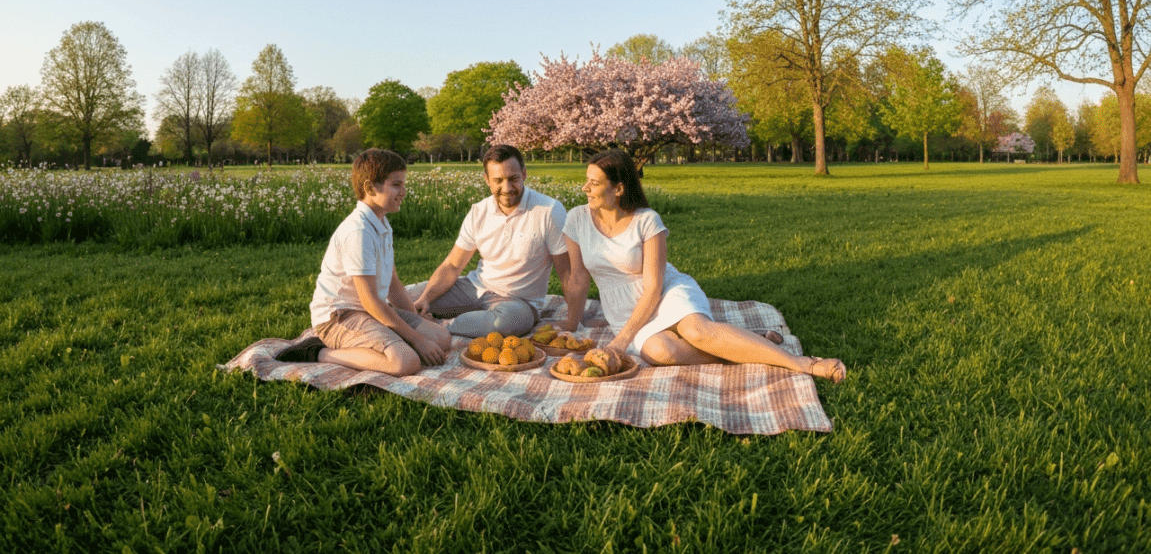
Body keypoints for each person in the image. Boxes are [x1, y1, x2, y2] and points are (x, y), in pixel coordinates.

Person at [561, 149, 846, 383]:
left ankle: (799, 363)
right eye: (586, 180)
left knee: (697, 331)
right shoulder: (576, 218)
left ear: (619, 188)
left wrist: (621, 341)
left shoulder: (647, 221)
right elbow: (577, 278)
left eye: (594, 183)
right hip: (623, 309)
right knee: (660, 351)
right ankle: (744, 345)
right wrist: (572, 326)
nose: (585, 188)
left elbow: (653, 288)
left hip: (664, 292)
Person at [276, 148, 452, 375]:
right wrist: (417, 340)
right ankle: (317, 352)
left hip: (370, 312)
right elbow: (369, 301)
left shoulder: (382, 224)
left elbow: (393, 284)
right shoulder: (358, 232)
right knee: (405, 362)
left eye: (403, 184)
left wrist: (415, 319)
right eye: (396, 185)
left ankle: (389, 339)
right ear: (370, 188)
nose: (404, 191)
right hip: (340, 317)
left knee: (442, 338)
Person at [407, 144, 573, 337]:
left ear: (524, 174)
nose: (507, 188)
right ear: (487, 180)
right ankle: (419, 320)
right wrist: (426, 298)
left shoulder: (549, 210)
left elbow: (567, 273)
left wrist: (574, 320)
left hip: (517, 303)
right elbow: (452, 265)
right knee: (403, 298)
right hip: (474, 289)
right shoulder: (479, 211)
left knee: (502, 323)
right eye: (498, 180)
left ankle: (435, 326)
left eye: (513, 179)